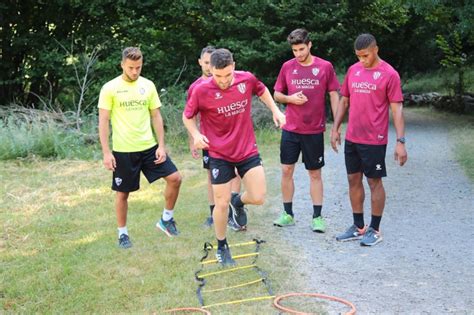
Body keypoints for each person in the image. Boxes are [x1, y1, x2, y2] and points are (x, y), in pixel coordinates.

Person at [183, 48, 286, 266]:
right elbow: (187, 116)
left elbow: (261, 89)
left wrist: (276, 111)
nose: (223, 80)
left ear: (234, 66)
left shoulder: (246, 79)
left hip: (246, 148)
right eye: (218, 76)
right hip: (218, 153)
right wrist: (196, 134)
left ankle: (238, 202)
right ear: (210, 69)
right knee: (221, 202)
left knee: (258, 196)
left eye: (228, 75)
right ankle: (222, 245)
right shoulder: (201, 90)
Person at [98, 47, 182, 249]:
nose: (135, 72)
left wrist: (161, 145)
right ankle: (122, 234)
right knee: (122, 194)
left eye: (138, 67)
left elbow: (156, 116)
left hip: (149, 147)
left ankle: (166, 219)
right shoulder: (110, 88)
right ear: (122, 65)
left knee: (175, 178)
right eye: (131, 68)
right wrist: (106, 152)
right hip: (124, 151)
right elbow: (103, 120)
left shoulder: (148, 85)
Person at [330, 34, 408, 246]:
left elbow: (397, 109)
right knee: (353, 180)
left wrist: (400, 141)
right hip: (352, 137)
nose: (362, 60)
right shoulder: (354, 70)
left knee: (374, 182)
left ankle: (374, 229)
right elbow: (344, 101)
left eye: (365, 55)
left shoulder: (389, 74)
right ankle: (358, 226)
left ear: (376, 50)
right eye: (358, 56)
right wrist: (335, 129)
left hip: (374, 139)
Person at [272, 28, 340, 233]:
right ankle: (287, 214)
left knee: (314, 173)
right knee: (286, 170)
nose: (298, 54)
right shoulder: (287, 67)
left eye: (302, 49)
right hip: (291, 128)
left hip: (313, 130)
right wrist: (290, 99)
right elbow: (276, 94)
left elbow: (334, 96)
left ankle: (317, 217)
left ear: (310, 45)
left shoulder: (325, 67)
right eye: (294, 50)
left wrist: (336, 126)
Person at [186, 46, 243, 231]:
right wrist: (193, 139)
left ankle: (235, 209)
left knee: (236, 172)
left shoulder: (230, 81)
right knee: (212, 175)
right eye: (206, 62)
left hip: (234, 138)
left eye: (212, 63)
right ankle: (214, 213)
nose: (210, 66)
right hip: (209, 141)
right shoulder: (196, 87)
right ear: (201, 63)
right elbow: (190, 116)